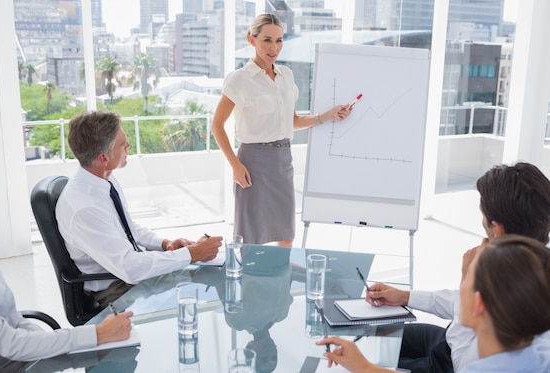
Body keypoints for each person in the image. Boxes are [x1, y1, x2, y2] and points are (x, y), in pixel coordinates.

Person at [0, 155, 133, 373]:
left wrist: (60, 340)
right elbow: (9, 344)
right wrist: (98, 333)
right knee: (104, 349)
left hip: (14, 347)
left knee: (113, 353)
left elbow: (12, 319)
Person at [345, 162, 550, 372]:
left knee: (363, 359)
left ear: (496, 229)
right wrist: (405, 296)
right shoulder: (530, 264)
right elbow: (461, 304)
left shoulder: (519, 298)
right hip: (449, 341)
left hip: (453, 362)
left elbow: (463, 364)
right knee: (372, 336)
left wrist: (466, 284)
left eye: (483, 215)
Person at [211, 13, 353, 247]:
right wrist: (235, 165)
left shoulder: (286, 75)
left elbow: (292, 121)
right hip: (253, 162)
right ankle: (250, 279)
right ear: (251, 39)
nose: (274, 47)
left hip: (282, 159)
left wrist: (327, 115)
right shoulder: (239, 79)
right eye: (267, 40)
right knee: (251, 232)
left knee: (286, 231)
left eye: (279, 40)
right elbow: (217, 125)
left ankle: (279, 277)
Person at [56, 111, 223, 307]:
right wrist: (193, 254)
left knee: (213, 277)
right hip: (116, 291)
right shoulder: (84, 209)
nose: (128, 146)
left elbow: (126, 227)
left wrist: (164, 244)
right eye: (122, 144)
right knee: (207, 294)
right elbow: (131, 269)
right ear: (103, 158)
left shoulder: (104, 180)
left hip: (131, 278)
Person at [316, 234, 550, 372]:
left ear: (479, 305)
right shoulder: (538, 355)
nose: (459, 291)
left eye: (464, 279)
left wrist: (365, 368)